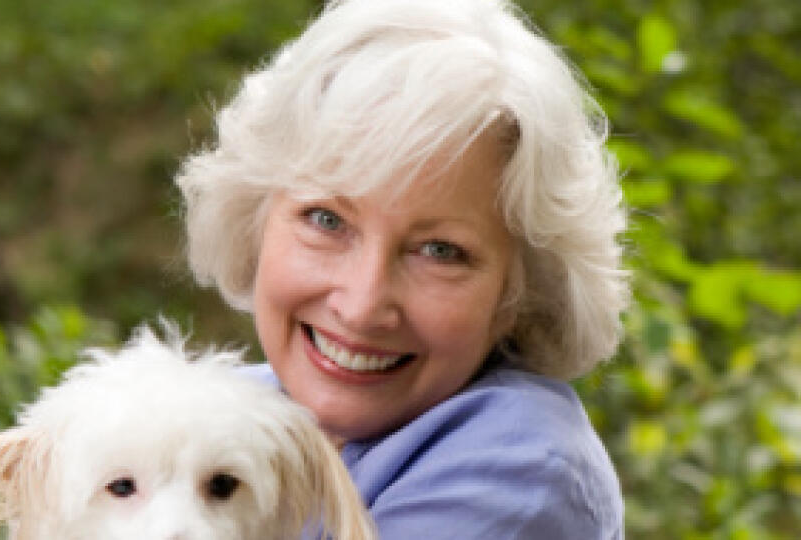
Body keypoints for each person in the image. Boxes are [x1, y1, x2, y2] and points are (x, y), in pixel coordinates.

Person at [175, 0, 630, 537]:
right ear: (255, 216)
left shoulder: (518, 468)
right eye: (326, 220)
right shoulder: (219, 408)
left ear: (520, 295)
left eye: (439, 251)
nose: (362, 305)